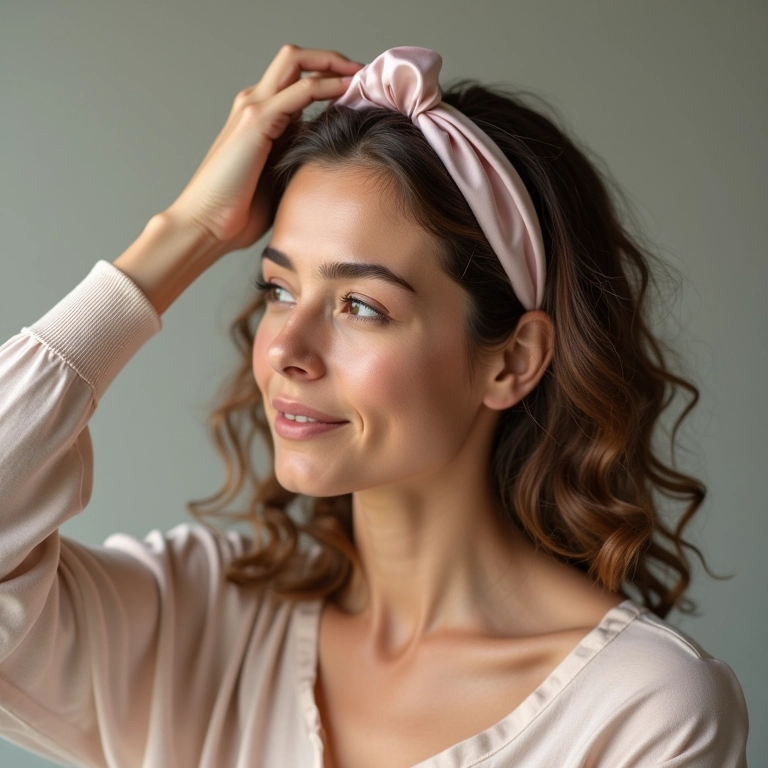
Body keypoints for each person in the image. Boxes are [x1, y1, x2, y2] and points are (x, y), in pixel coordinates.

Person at [0, 43, 749, 768]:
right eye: (279, 290)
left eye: (360, 305)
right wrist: (186, 233)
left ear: (512, 361)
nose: (285, 349)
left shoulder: (640, 713)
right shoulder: (196, 621)